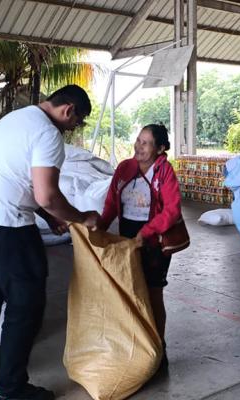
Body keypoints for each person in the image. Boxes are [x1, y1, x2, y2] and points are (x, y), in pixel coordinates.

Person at [0, 85, 99, 400]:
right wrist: (79, 217)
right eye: (78, 121)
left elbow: (19, 178)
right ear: (68, 110)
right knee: (26, 305)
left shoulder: (17, 118)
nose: (75, 128)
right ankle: (11, 388)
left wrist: (49, 217)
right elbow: (46, 194)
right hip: (5, 226)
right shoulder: (48, 134)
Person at [97, 123, 182, 367]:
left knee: (153, 294)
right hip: (128, 241)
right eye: (138, 140)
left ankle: (159, 346)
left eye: (146, 143)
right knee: (132, 293)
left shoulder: (164, 171)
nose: (138, 146)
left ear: (160, 148)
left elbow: (172, 210)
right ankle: (138, 345)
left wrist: (146, 232)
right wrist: (100, 227)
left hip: (154, 242)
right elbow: (112, 203)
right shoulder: (125, 168)